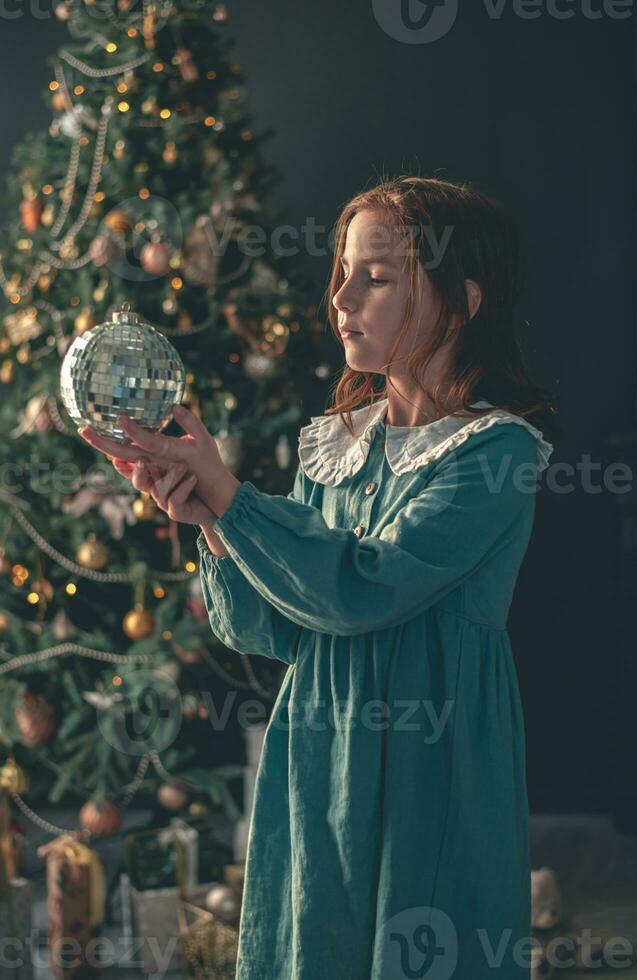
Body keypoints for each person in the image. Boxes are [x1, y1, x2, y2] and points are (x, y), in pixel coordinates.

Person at [79, 175, 560, 979]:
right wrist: (210, 518)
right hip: (319, 751)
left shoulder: (496, 453)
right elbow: (274, 628)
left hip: (429, 756)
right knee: (317, 937)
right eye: (340, 271)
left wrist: (233, 495)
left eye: (375, 276)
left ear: (462, 301)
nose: (341, 295)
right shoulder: (333, 444)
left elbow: (363, 587)